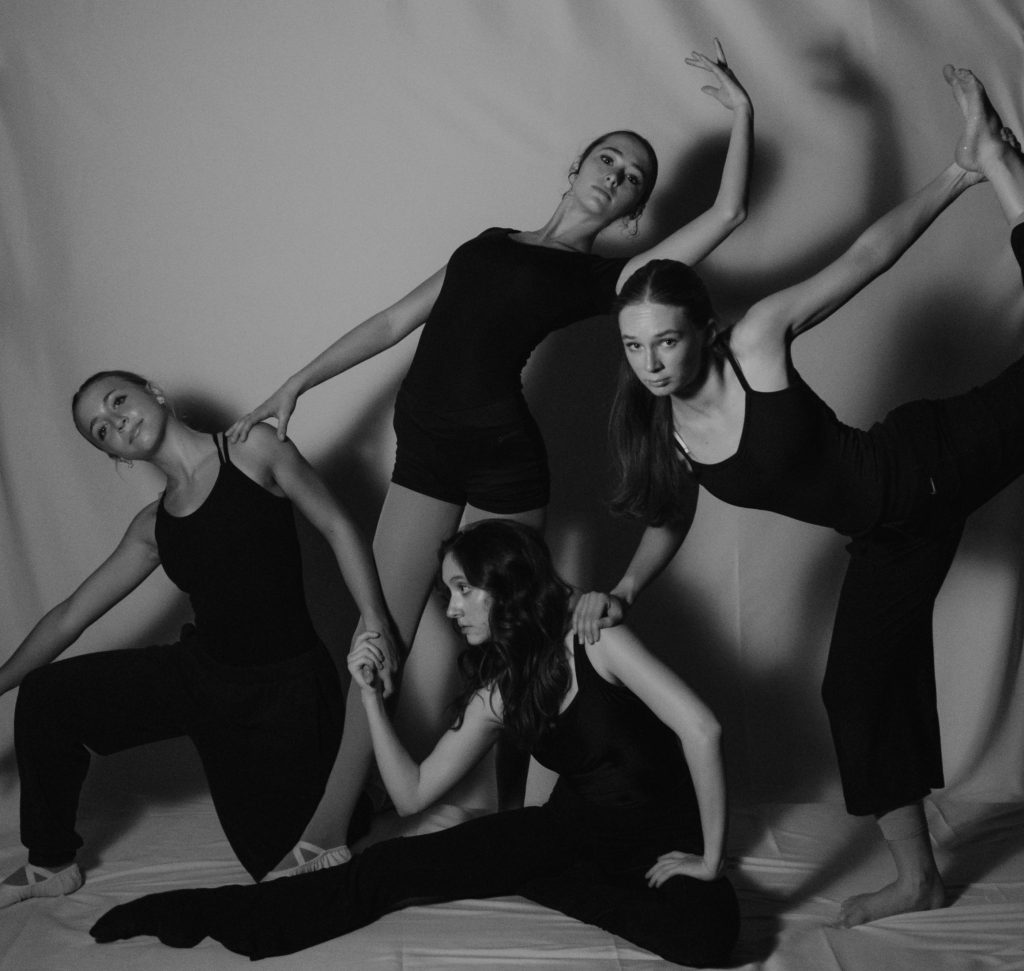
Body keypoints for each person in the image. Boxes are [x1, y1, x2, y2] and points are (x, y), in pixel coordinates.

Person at [224, 40, 755, 856]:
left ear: (631, 214)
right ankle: (335, 824)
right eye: (609, 159)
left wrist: (742, 112)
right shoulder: (488, 241)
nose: (616, 175)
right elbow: (394, 321)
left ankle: (502, 812)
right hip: (425, 456)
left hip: (505, 468)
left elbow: (727, 217)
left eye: (633, 179)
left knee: (503, 650)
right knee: (379, 635)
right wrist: (298, 383)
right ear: (575, 166)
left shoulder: (607, 279)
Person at [573, 65, 1024, 927]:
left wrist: (956, 177)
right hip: (892, 535)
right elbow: (670, 516)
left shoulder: (756, 342)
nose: (652, 363)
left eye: (666, 342)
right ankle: (920, 879)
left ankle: (996, 163)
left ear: (701, 331)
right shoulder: (669, 430)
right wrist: (625, 587)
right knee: (855, 692)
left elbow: (865, 257)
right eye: (634, 348)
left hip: (928, 465)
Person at [89, 519, 739, 966]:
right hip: (573, 831)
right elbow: (412, 793)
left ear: (506, 584)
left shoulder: (594, 638)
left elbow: (702, 728)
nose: (451, 609)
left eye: (462, 590)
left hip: (666, 841)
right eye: (448, 592)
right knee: (391, 868)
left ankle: (535, 872)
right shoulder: (499, 692)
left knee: (708, 938)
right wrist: (370, 698)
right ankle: (211, 911)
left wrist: (710, 860)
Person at [0, 370, 398, 908]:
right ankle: (49, 862)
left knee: (281, 863)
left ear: (155, 394)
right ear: (114, 455)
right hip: (203, 677)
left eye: (118, 401)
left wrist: (374, 618)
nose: (116, 422)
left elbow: (336, 526)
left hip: (286, 690)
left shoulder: (253, 449)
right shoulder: (152, 527)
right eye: (102, 430)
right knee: (47, 696)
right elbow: (71, 614)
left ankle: (358, 796)